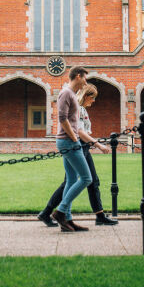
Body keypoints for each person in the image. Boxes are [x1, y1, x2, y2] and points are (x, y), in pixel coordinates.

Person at [38, 83, 118, 227]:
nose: (93, 101)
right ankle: (58, 212)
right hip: (78, 146)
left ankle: (56, 214)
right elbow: (80, 132)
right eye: (92, 97)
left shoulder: (82, 110)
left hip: (82, 146)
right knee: (83, 180)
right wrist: (98, 145)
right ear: (86, 96)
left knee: (80, 181)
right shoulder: (79, 110)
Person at [50, 66, 93, 232]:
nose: (85, 82)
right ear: (78, 76)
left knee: (71, 180)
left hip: (68, 141)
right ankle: (61, 211)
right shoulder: (66, 93)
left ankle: (67, 220)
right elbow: (62, 119)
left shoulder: (71, 94)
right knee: (86, 178)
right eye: (85, 79)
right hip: (68, 142)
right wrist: (75, 138)